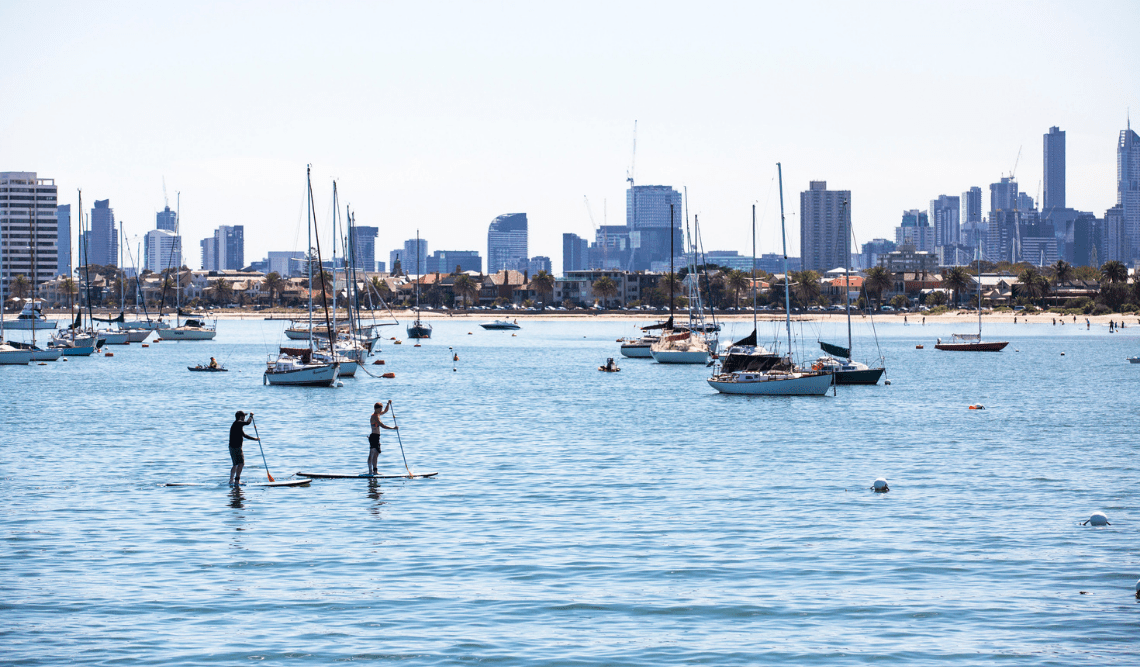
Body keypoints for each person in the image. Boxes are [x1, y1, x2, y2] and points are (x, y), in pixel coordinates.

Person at [229, 411, 258, 486]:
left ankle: (232, 480)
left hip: (233, 447)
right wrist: (251, 416)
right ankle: (236, 481)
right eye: (244, 416)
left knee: (235, 464)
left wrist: (254, 439)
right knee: (241, 464)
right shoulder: (238, 423)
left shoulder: (237, 425)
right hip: (236, 448)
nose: (244, 418)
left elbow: (244, 435)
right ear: (240, 417)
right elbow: (248, 423)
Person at [368, 401, 398, 475]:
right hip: (373, 437)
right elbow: (382, 425)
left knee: (376, 454)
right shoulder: (374, 417)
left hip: (377, 437)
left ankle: (375, 471)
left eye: (381, 409)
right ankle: (370, 471)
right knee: (372, 453)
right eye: (380, 409)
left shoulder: (378, 414)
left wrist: (388, 404)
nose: (381, 411)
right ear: (376, 409)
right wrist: (393, 428)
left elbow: (386, 411)